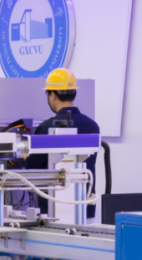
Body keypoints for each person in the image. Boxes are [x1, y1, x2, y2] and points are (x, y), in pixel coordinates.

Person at [24, 68, 100, 220]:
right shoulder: (92, 126)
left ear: (52, 94)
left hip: (53, 210)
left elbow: (33, 167)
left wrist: (24, 157)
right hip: (84, 208)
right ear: (74, 92)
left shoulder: (46, 128)